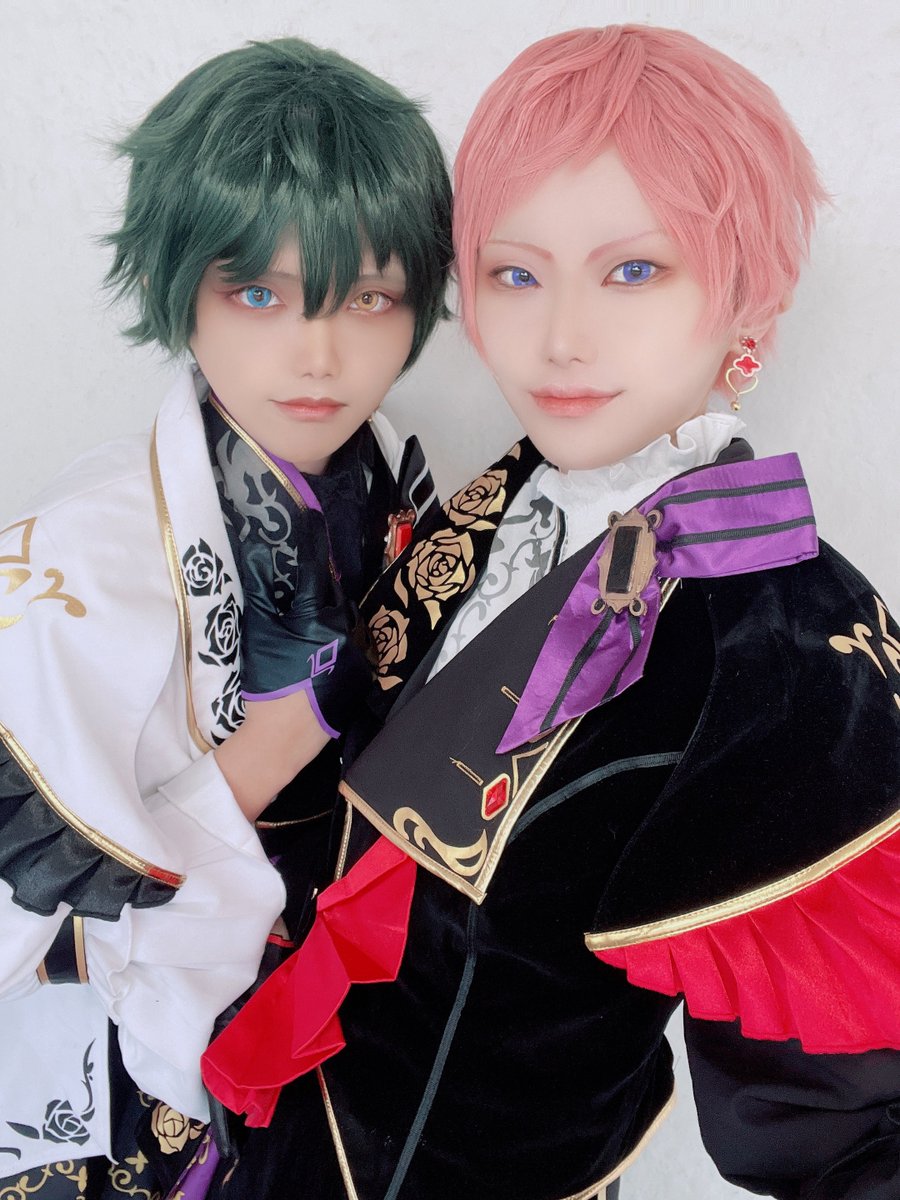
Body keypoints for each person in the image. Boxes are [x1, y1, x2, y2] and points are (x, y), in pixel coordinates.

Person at [202, 25, 900, 1200]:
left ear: (748, 300)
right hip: (271, 1133)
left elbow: (842, 1127)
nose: (560, 339)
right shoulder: (499, 500)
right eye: (517, 275)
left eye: (634, 271)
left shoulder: (783, 647)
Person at [0, 36, 451, 1198]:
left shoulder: (394, 488)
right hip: (130, 1068)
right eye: (257, 293)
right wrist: (291, 730)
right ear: (179, 286)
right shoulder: (81, 554)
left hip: (343, 1036)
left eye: (369, 298)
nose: (319, 355)